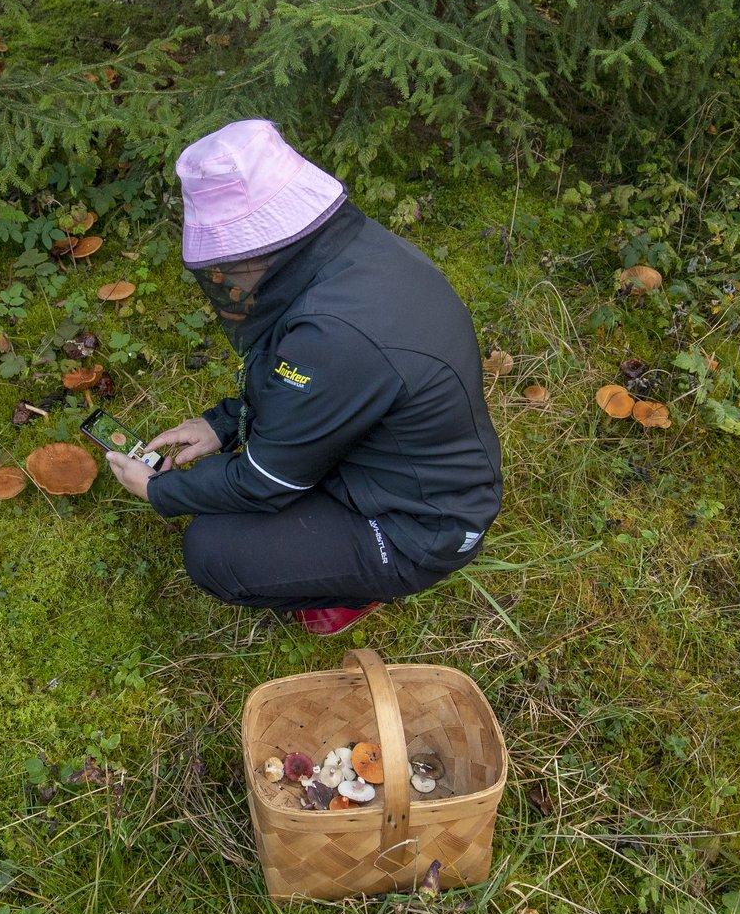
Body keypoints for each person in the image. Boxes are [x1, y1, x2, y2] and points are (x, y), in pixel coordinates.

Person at [104, 119, 502, 635]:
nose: (222, 278)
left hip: (419, 527)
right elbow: (312, 384)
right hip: (387, 465)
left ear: (264, 246)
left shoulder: (336, 335)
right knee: (231, 500)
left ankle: (358, 590)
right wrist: (222, 424)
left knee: (214, 551)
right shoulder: (347, 254)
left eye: (229, 262)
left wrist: (161, 491)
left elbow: (265, 482)